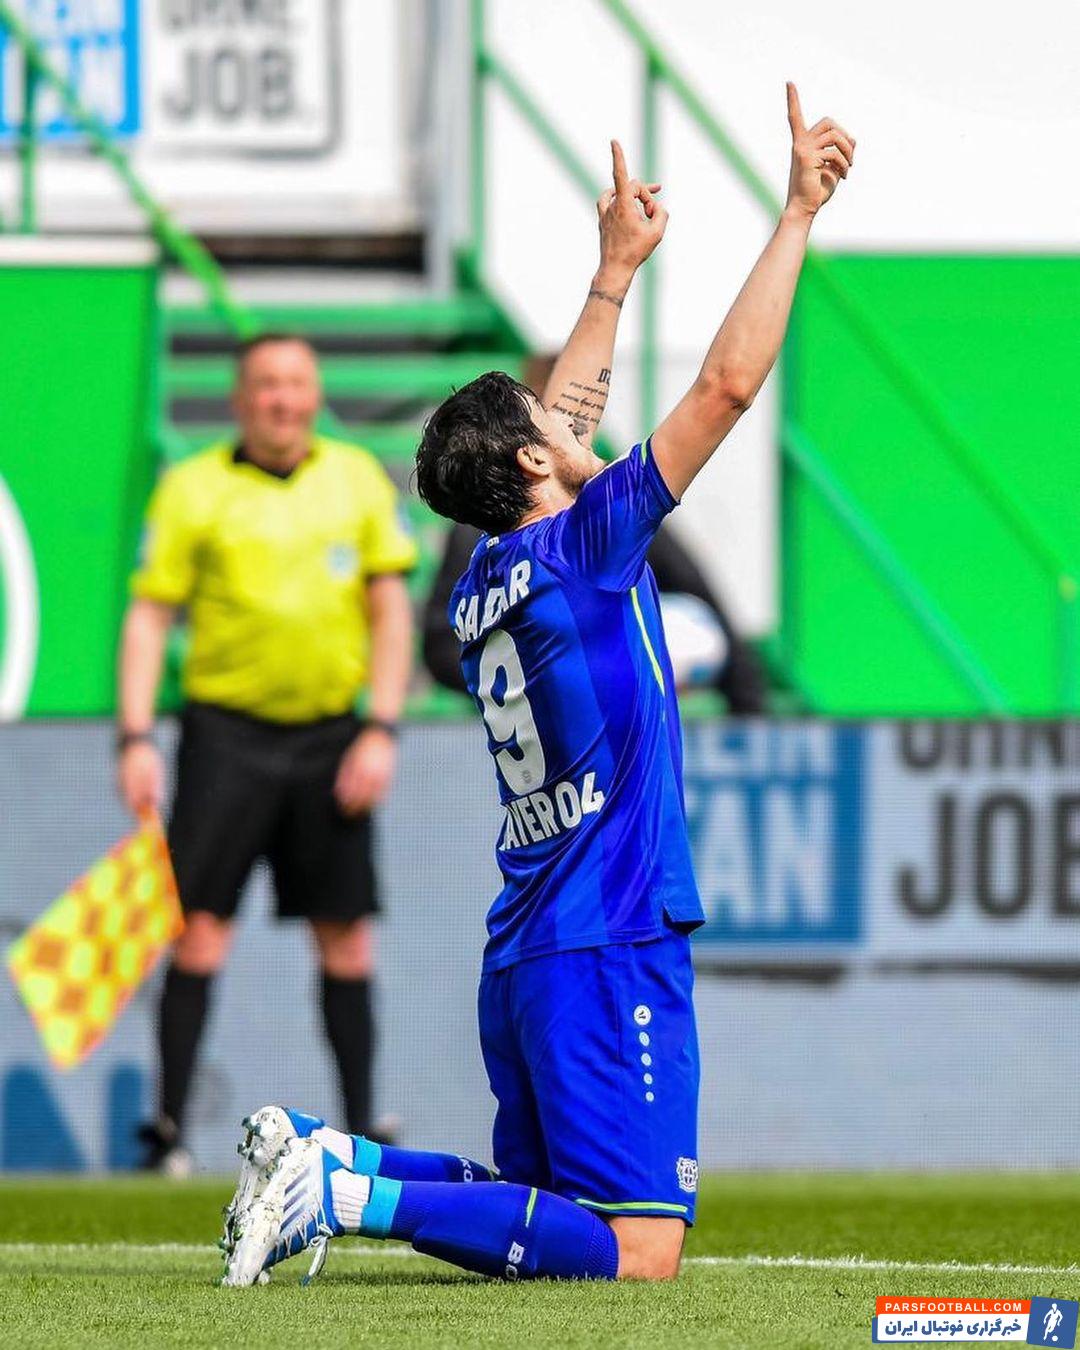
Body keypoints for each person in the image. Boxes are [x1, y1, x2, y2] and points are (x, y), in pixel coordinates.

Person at [221, 83, 854, 1285]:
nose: (575, 414)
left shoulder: (488, 580)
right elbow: (725, 388)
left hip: (528, 948)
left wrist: (612, 275)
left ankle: (329, 1154)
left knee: (548, 1211)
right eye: (547, 419)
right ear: (530, 459)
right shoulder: (588, 548)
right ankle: (343, 1192)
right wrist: (795, 217)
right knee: (637, 1251)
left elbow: (562, 418)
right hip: (607, 938)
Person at [117, 333, 417, 1173]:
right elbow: (150, 615)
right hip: (225, 736)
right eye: (266, 385)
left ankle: (361, 1132)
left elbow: (390, 612)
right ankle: (170, 1132)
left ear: (316, 396)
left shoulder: (356, 479)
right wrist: (135, 736)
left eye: (296, 384)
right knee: (197, 931)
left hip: (332, 737)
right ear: (240, 398)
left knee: (346, 937)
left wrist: (381, 728)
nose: (282, 399)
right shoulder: (193, 487)